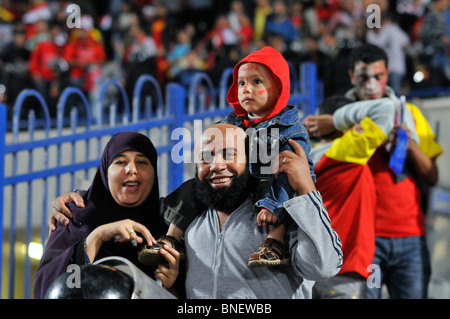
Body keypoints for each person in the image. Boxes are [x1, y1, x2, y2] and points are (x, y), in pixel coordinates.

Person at [50, 123, 343, 299]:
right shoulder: (183, 220)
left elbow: (323, 267)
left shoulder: (281, 217)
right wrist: (80, 198)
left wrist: (306, 190)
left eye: (229, 154)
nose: (216, 165)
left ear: (252, 163)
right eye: (206, 156)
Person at [140, 46, 316, 268]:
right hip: (240, 180)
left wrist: (273, 204)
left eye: (256, 82)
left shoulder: (290, 129)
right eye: (241, 83)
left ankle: (275, 242)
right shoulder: (235, 120)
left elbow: (297, 171)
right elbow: (216, 139)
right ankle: (172, 238)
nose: (246, 89)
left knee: (282, 183)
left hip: (272, 184)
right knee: (194, 185)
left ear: (278, 87)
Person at [304, 43, 443, 299]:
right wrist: (336, 124)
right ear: (351, 76)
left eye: (378, 77)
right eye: (363, 77)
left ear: (388, 75)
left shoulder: (409, 115)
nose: (371, 84)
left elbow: (433, 176)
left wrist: (408, 145)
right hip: (365, 243)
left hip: (410, 236)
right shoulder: (334, 116)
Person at [34, 132, 178, 299]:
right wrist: (97, 236)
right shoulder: (72, 217)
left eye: (142, 162)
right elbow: (45, 289)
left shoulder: (167, 230)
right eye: (120, 162)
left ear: (154, 173)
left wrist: (168, 288)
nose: (131, 169)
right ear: (105, 171)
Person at [307, 95, 408, 298]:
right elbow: (386, 109)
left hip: (312, 270)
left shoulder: (309, 156)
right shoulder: (344, 152)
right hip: (342, 272)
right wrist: (336, 120)